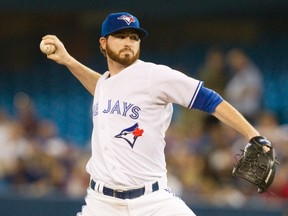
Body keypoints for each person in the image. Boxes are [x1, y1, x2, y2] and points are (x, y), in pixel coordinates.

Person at [41, 12, 270, 216]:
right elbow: (102, 87)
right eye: (121, 36)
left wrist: (253, 135)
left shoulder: (153, 76)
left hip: (152, 202)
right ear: (103, 42)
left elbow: (209, 99)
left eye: (134, 37)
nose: (128, 42)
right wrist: (68, 61)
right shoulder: (106, 83)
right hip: (101, 204)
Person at [224, 48, 263, 123]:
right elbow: (229, 94)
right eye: (232, 61)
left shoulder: (252, 73)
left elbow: (253, 91)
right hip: (237, 113)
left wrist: (239, 94)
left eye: (236, 59)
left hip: (249, 113)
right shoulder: (235, 75)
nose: (234, 63)